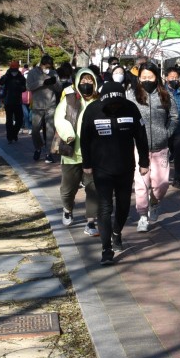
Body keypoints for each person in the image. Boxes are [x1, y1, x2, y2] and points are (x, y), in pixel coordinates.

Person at [81, 81, 150, 266]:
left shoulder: (131, 109)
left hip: (125, 167)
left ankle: (117, 232)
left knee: (123, 205)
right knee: (105, 208)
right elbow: (84, 138)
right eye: (110, 104)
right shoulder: (92, 110)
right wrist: (86, 164)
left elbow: (141, 136)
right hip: (101, 168)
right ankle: (106, 250)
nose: (114, 107)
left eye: (117, 104)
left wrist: (144, 161)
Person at [128, 63, 178, 232]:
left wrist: (167, 133)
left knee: (161, 183)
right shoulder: (132, 95)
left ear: (157, 77)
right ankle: (142, 215)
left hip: (161, 146)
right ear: (139, 78)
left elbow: (174, 117)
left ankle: (155, 202)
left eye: (150, 77)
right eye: (144, 77)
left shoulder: (166, 95)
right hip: (139, 148)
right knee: (141, 183)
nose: (147, 80)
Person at [55, 67, 100, 235]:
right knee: (68, 189)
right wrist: (68, 135)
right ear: (77, 82)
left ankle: (90, 222)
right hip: (71, 153)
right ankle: (67, 208)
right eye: (83, 81)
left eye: (90, 81)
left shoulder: (99, 101)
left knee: (93, 188)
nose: (86, 84)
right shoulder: (69, 99)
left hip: (94, 154)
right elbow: (59, 118)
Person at [26, 55, 61, 163]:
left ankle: (49, 153)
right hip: (37, 105)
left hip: (51, 104)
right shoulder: (32, 73)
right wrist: (42, 82)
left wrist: (54, 82)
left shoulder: (53, 73)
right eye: (46, 66)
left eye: (49, 67)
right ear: (41, 64)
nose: (47, 68)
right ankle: (38, 147)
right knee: (35, 130)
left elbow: (59, 88)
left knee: (50, 130)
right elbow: (28, 87)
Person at [165, 67, 180, 188]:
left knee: (179, 156)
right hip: (164, 129)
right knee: (163, 157)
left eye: (176, 77)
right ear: (166, 78)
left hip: (178, 130)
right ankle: (162, 179)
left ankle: (178, 179)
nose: (174, 79)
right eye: (171, 77)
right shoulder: (161, 93)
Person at [0, 61, 27, 143]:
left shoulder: (20, 77)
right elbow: (0, 82)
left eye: (16, 68)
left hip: (18, 101)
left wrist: (20, 87)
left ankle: (14, 134)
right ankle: (9, 137)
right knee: (9, 121)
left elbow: (24, 87)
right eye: (13, 68)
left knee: (20, 120)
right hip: (8, 101)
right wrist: (6, 77)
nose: (14, 70)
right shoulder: (7, 75)